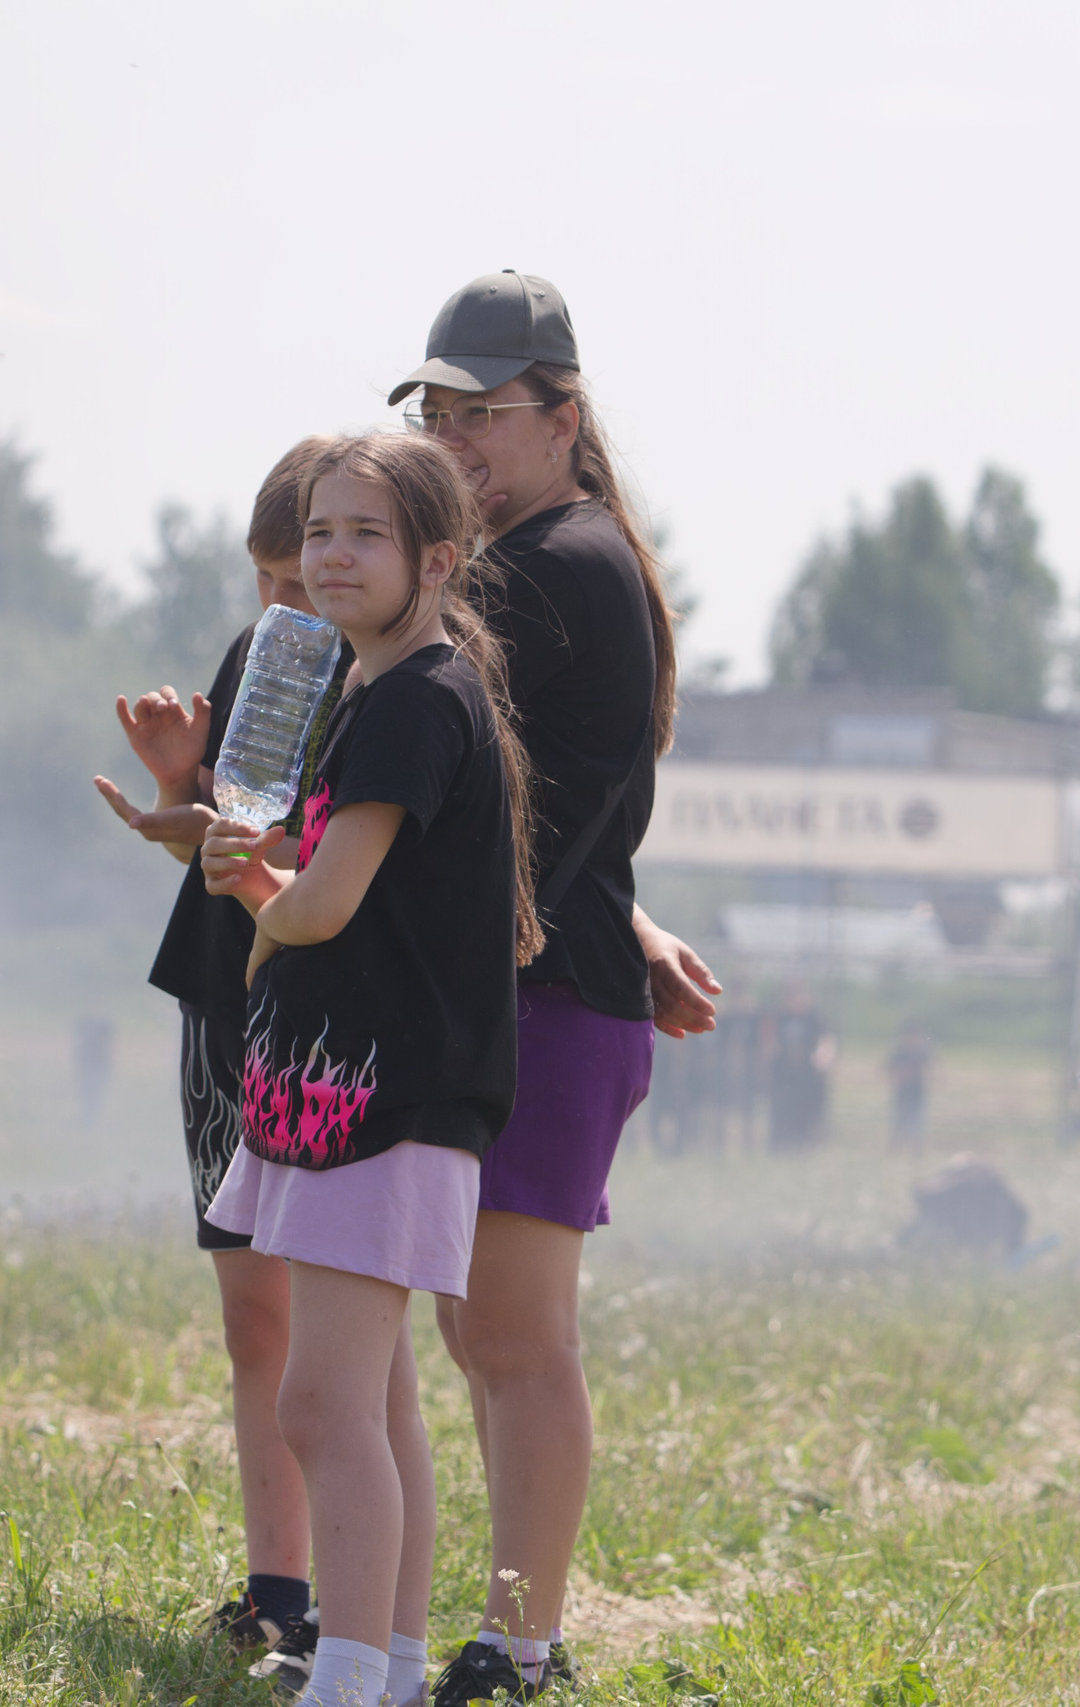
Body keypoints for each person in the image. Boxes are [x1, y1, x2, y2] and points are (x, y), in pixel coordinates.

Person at [391, 270, 720, 1705]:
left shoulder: (547, 566)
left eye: (487, 411)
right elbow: (569, 816)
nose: (457, 434)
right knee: (486, 1333)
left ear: (562, 417)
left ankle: (521, 1644)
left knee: (517, 1338)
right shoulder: (544, 553)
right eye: (438, 408)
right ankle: (514, 1625)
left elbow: (510, 816)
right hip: (555, 979)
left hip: (547, 1001)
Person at [197, 433, 540, 1707]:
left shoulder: (407, 701)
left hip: (379, 1105)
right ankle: (384, 1666)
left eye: (365, 536)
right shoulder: (389, 688)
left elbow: (326, 905)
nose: (333, 555)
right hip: (358, 1099)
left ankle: (344, 1680)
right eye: (321, 533)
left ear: (435, 562)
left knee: (323, 1406)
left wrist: (250, 889)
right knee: (375, 1404)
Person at [92, 437, 339, 1661]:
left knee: (340, 1320)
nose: (287, 610)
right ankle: (277, 1590)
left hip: (332, 1004)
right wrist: (182, 785)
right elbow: (233, 828)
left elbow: (323, 849)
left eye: (310, 583)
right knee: (254, 1310)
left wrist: (224, 827)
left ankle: (358, 1597)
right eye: (271, 584)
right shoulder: (263, 654)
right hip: (221, 994)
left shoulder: (403, 674)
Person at [764, 986, 833, 1151]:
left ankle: (803, 1145)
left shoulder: (814, 1019)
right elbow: (769, 1043)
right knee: (782, 1110)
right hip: (783, 1073)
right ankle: (780, 1145)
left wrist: (822, 1059)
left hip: (806, 1074)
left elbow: (826, 1041)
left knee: (805, 1111)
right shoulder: (779, 1018)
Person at [885, 1020, 934, 1157]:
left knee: (917, 1122)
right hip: (902, 1091)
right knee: (899, 1122)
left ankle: (916, 1153)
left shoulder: (922, 1049)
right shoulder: (899, 1050)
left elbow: (930, 1066)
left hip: (917, 1090)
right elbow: (888, 1068)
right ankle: (894, 1152)